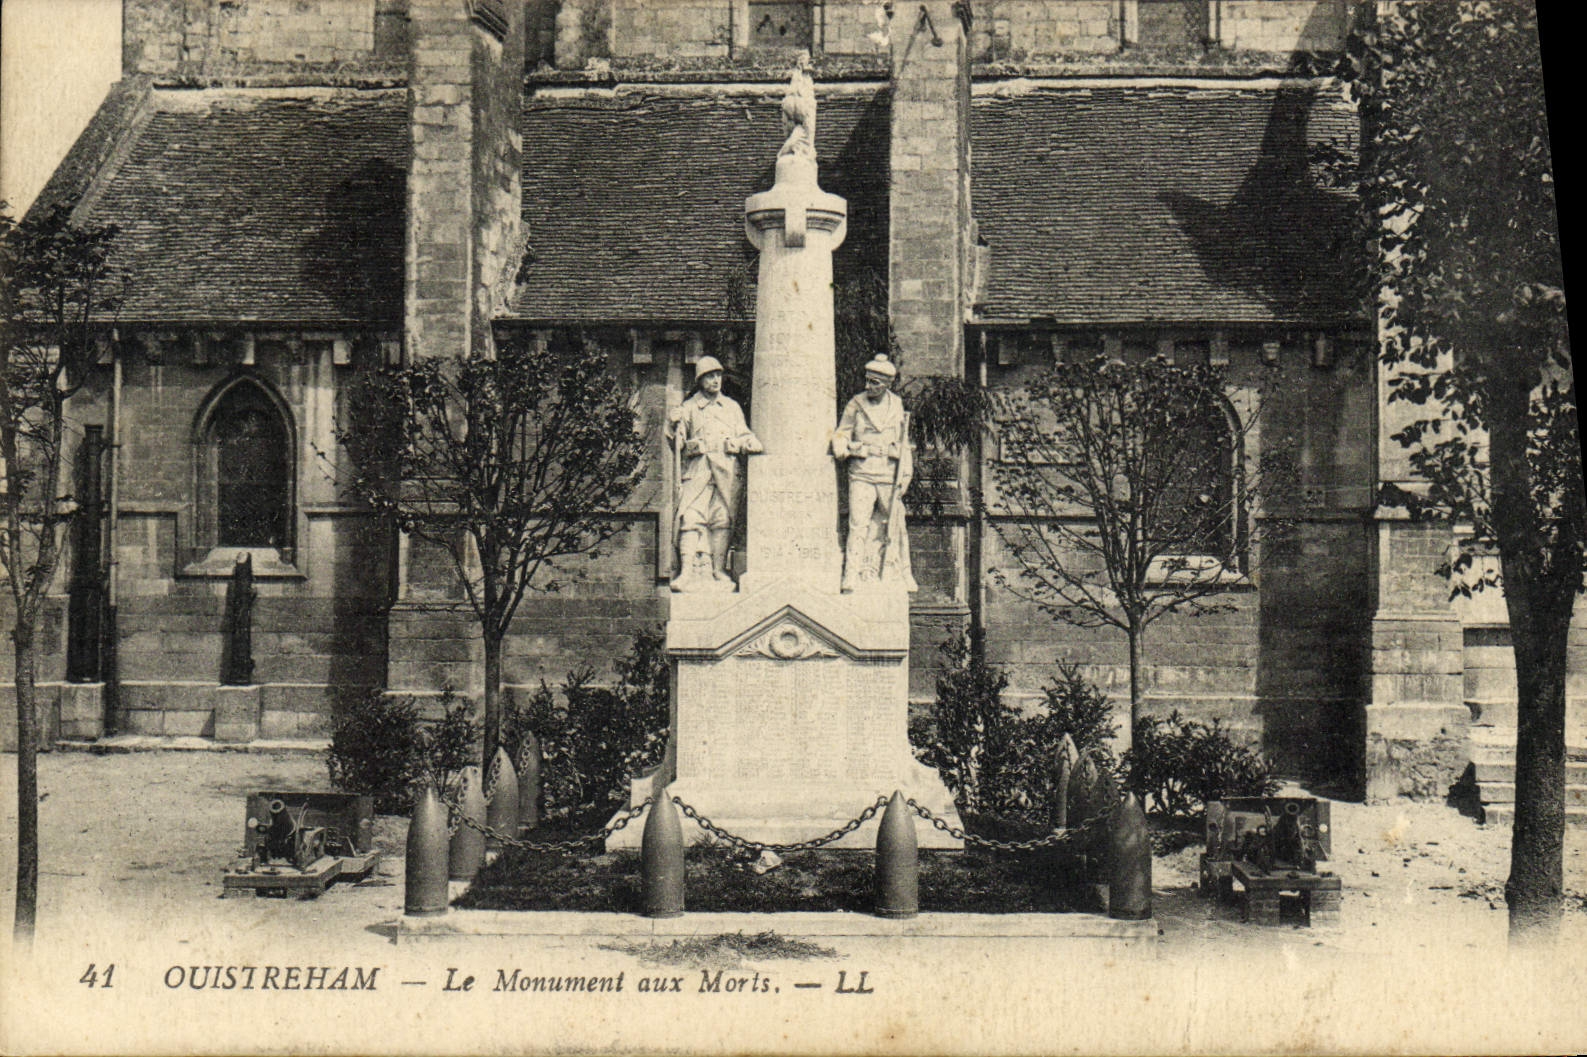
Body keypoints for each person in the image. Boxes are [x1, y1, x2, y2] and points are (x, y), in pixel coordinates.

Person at [667, 356, 762, 592]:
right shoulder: (689, 407)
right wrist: (673, 425)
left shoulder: (731, 407)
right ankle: (687, 571)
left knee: (722, 519)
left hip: (726, 473)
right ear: (700, 380)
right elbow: (677, 443)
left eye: (718, 375)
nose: (715, 380)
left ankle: (718, 569)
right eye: (710, 376)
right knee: (689, 518)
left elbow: (744, 434)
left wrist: (746, 443)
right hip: (697, 472)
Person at [832, 354, 917, 593]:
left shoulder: (896, 404)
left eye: (875, 383)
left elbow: (903, 442)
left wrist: (906, 474)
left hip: (889, 473)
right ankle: (852, 574)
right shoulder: (856, 404)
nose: (869, 386)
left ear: (887, 384)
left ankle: (902, 573)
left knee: (896, 523)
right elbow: (842, 432)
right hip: (862, 471)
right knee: (858, 523)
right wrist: (842, 447)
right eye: (868, 381)